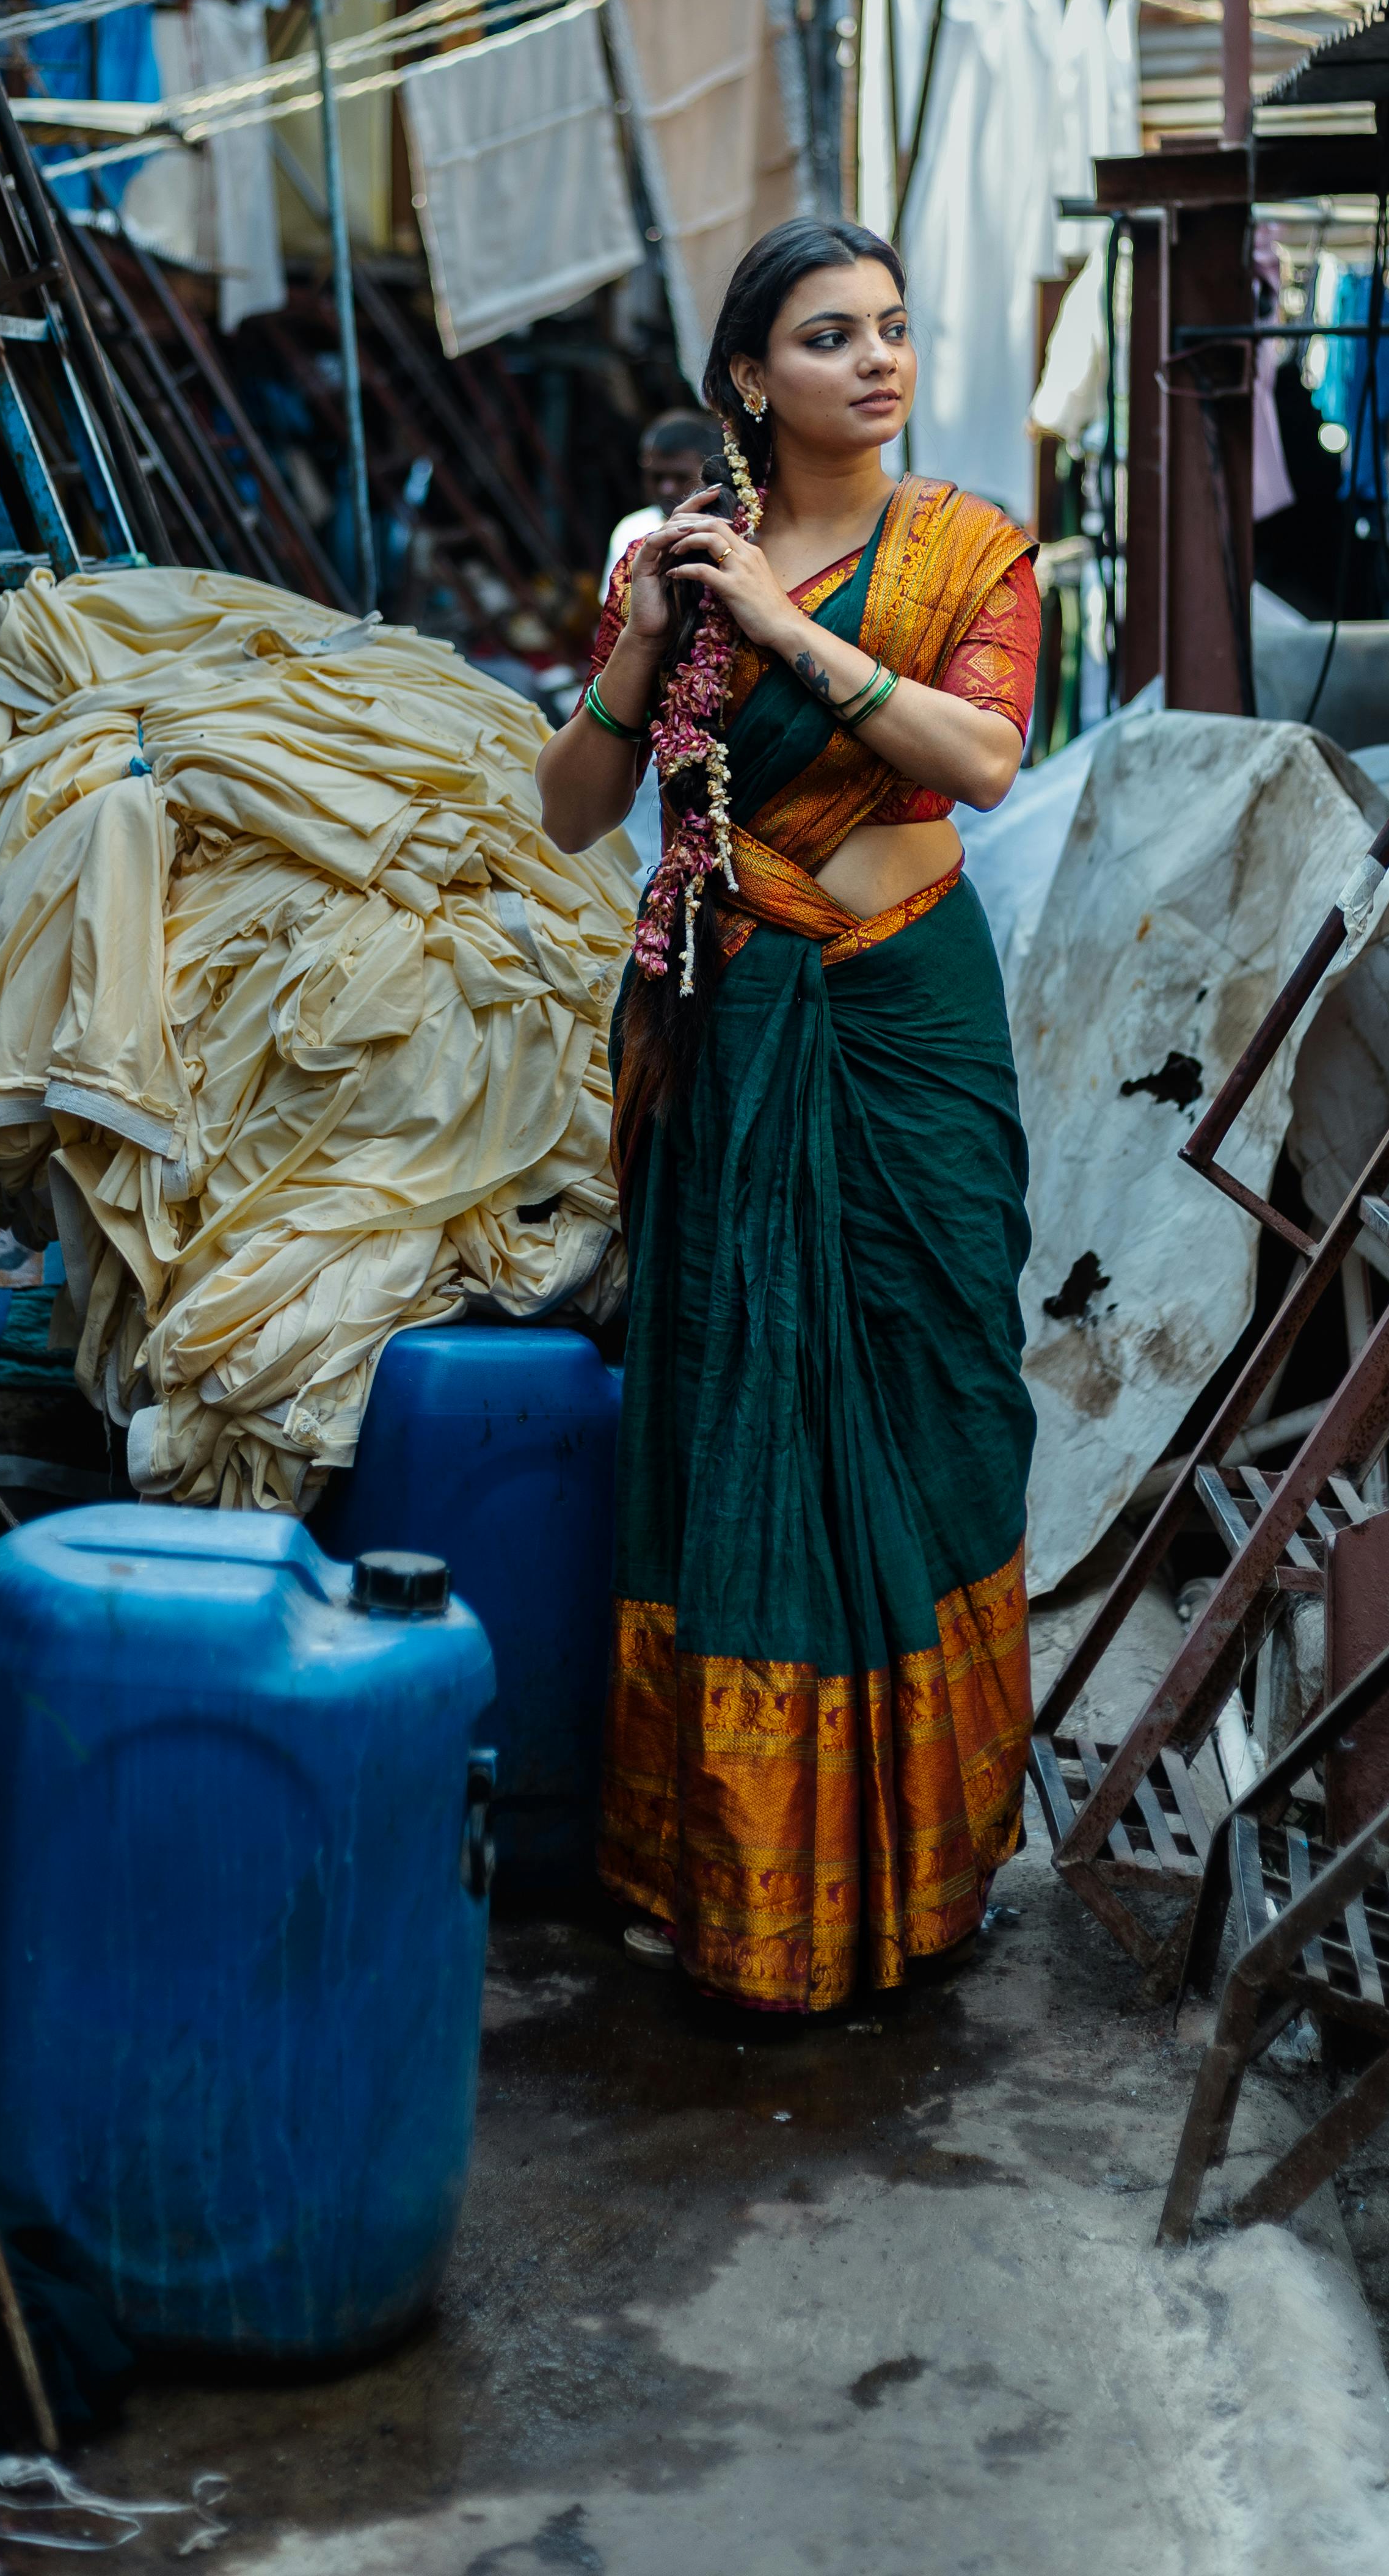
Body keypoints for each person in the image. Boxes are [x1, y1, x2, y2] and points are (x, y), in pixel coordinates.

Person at [537, 221, 1040, 2015]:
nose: (876, 361)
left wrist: (780, 634)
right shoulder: (673, 560)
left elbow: (985, 757)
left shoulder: (969, 550)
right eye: (831, 336)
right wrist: (653, 636)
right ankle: (739, 1869)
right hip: (728, 1024)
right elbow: (570, 809)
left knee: (938, 1386)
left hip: (905, 1013)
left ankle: (932, 1853)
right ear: (753, 376)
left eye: (894, 328)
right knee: (726, 1400)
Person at [601, 409, 716, 586]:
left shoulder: (732, 527)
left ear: (710, 473)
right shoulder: (632, 531)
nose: (667, 489)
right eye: (657, 477)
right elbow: (616, 609)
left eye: (681, 477)